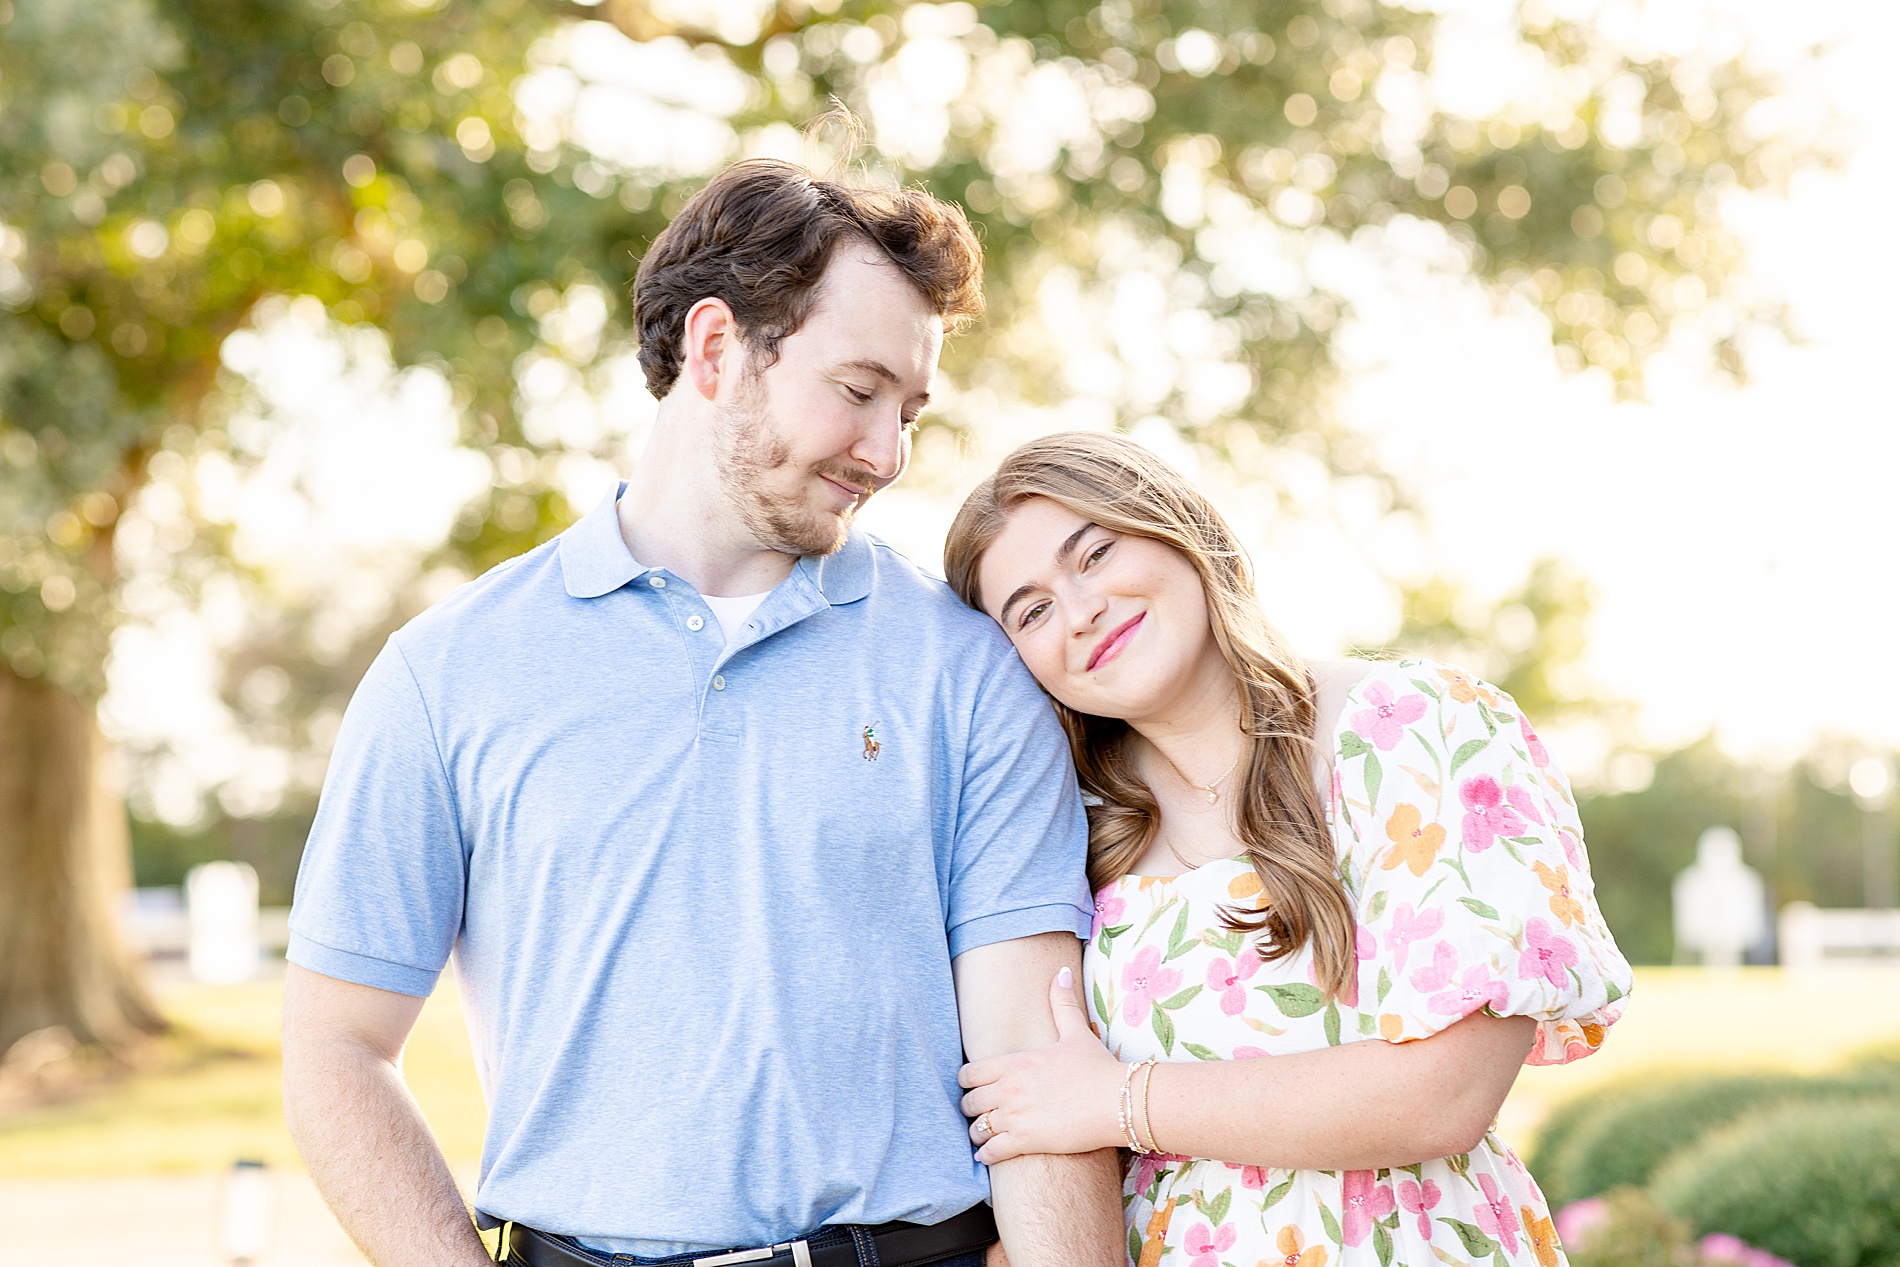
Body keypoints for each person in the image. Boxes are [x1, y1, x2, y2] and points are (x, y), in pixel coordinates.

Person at [280, 161, 1126, 1267]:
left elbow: (1033, 1061)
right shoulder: (447, 673)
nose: (889, 452)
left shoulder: (968, 672)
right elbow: (337, 1048)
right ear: (718, 348)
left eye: (910, 410)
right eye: (859, 390)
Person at [941, 432, 1632, 1267]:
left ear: (1176, 527)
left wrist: (1119, 1100)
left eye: (1095, 553)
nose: (1080, 609)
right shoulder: (1071, 834)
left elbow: (1446, 1092)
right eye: (1032, 610)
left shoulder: (1421, 731)